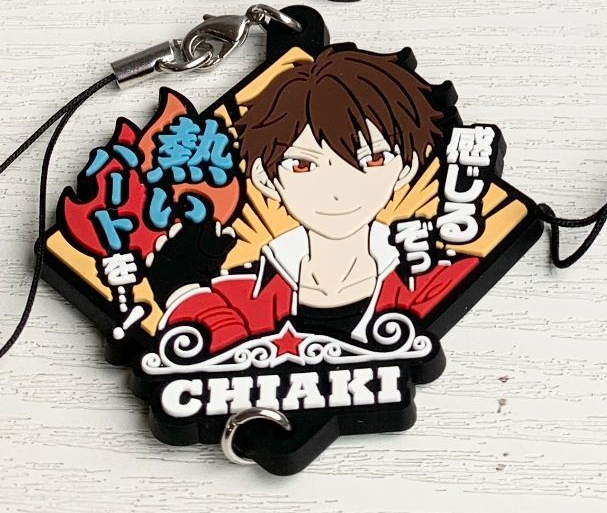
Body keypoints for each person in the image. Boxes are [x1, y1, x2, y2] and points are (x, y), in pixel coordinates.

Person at [148, 47, 477, 351]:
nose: (337, 191)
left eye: (372, 159)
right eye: (302, 165)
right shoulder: (241, 295)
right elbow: (218, 351)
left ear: (407, 167)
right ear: (265, 179)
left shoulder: (432, 279)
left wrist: (184, 292)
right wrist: (181, 288)